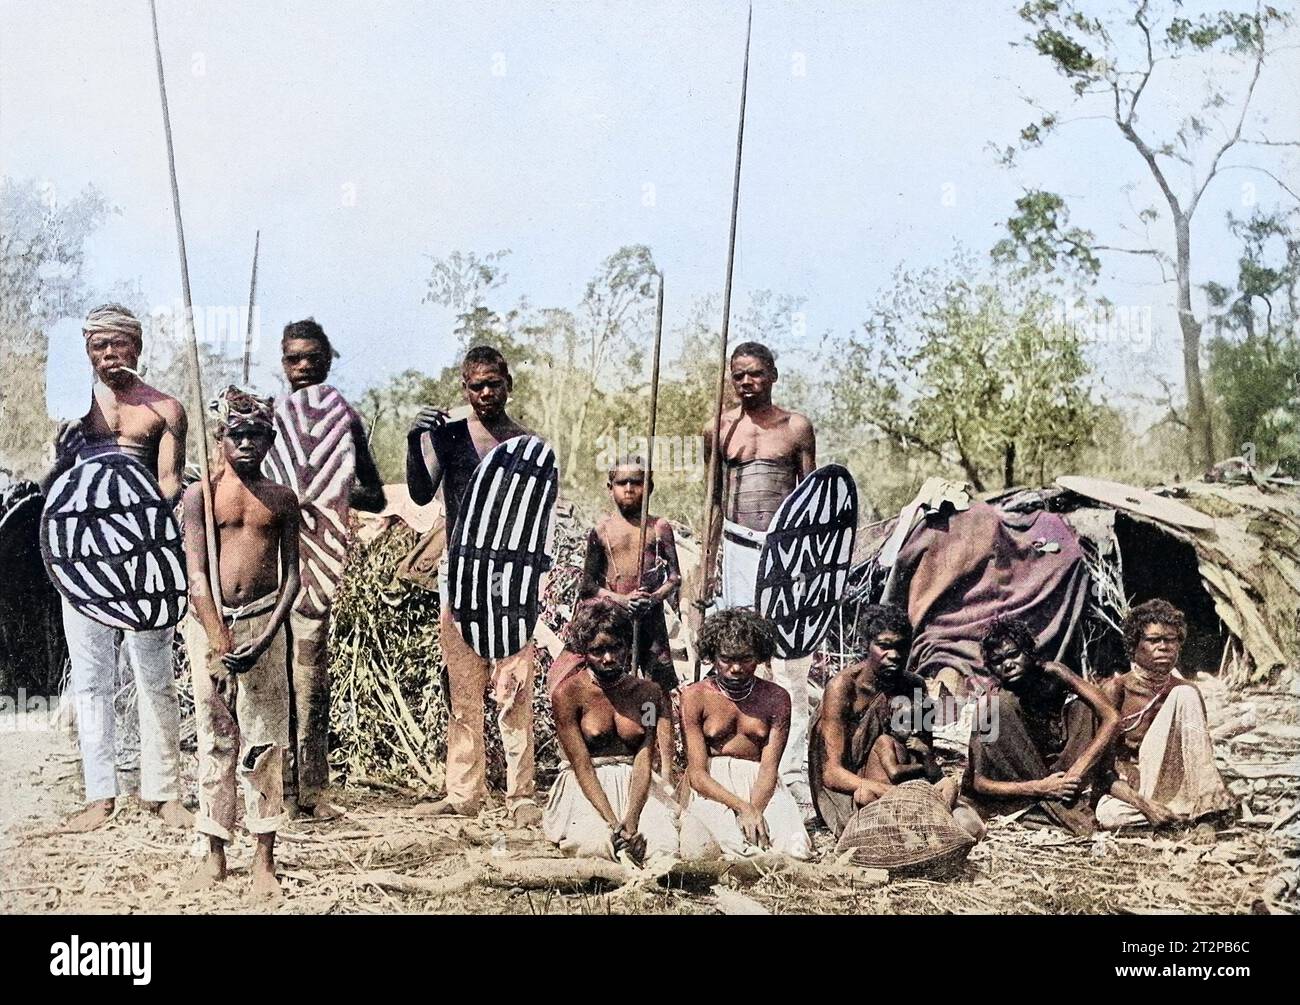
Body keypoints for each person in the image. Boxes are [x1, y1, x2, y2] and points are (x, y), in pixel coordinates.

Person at [41, 304, 191, 833]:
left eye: (119, 344)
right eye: (99, 346)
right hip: (83, 553)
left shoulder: (166, 409)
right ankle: (100, 794)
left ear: (138, 347)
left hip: (144, 551)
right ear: (87, 352)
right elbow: (53, 485)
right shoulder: (73, 409)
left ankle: (164, 791)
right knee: (91, 674)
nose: (110, 355)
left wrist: (140, 514)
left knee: (154, 673)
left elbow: (170, 482)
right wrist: (61, 459)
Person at [405, 345, 543, 826]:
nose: (484, 393)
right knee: (463, 689)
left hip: (511, 579)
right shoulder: (448, 438)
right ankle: (464, 793)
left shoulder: (526, 444)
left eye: (492, 383)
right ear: (463, 387)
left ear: (508, 383)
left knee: (513, 687)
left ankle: (520, 794)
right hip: (460, 573)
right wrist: (415, 439)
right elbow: (423, 492)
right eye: (474, 385)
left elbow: (532, 521)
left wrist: (530, 581)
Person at [179, 387, 300, 901]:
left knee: (265, 742)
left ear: (271, 440)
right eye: (238, 434)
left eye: (258, 435)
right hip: (211, 628)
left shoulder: (280, 498)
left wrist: (267, 634)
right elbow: (198, 576)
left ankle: (264, 860)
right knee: (216, 741)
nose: (248, 443)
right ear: (220, 437)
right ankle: (214, 854)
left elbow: (293, 577)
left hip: (262, 626)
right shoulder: (200, 496)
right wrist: (218, 636)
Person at [699, 341, 817, 817]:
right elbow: (711, 500)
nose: (746, 382)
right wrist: (708, 566)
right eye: (738, 375)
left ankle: (793, 781)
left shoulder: (796, 427)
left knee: (791, 663)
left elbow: (815, 502)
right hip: (738, 547)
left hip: (788, 553)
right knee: (740, 654)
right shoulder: (719, 427)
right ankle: (735, 764)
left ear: (772, 374)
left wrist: (810, 569)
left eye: (755, 374)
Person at [277, 318, 385, 819]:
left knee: (310, 678)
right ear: (282, 361)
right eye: (293, 358)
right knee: (269, 681)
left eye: (312, 358)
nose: (302, 367)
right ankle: (275, 788)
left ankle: (314, 791)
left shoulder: (347, 418)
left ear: (328, 359)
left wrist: (327, 493)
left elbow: (374, 492)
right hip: (267, 565)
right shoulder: (265, 417)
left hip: (316, 561)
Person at [544, 600, 678, 863]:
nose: (608, 658)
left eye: (616, 648)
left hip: (637, 786)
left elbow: (644, 755)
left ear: (627, 645)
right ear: (583, 651)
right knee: (595, 844)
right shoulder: (567, 695)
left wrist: (632, 818)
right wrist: (613, 823)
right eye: (598, 651)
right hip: (587, 788)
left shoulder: (648, 695)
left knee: (662, 843)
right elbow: (581, 764)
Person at [962, 618, 1119, 836]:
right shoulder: (990, 707)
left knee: (1086, 707)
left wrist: (1078, 769)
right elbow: (980, 783)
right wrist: (1041, 787)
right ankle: (1055, 803)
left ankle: (1095, 785)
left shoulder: (1054, 673)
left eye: (1013, 654)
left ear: (1029, 652)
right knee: (999, 707)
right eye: (998, 661)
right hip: (1024, 781)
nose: (1007, 664)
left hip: (1062, 769)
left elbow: (1110, 715)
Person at [678, 609, 812, 860]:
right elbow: (696, 774)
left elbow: (770, 768)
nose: (736, 668)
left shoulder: (777, 698)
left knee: (793, 847)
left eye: (746, 659)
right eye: (727, 659)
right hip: (712, 785)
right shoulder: (695, 696)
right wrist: (742, 808)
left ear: (760, 656)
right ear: (712, 656)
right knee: (730, 846)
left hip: (761, 784)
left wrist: (755, 809)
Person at [579, 455, 682, 776]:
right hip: (614, 622)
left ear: (648, 487)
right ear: (609, 488)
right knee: (616, 685)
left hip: (650, 621)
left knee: (657, 692)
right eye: (622, 483)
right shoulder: (601, 531)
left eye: (636, 483)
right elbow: (589, 585)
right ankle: (622, 759)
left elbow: (675, 578)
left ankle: (664, 769)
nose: (629, 490)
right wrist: (621, 600)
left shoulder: (659, 528)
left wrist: (653, 598)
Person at [1095, 599, 1235, 829]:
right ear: (1134, 646)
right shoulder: (1117, 689)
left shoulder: (1184, 693)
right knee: (1110, 815)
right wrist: (1144, 805)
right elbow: (1102, 769)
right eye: (1153, 640)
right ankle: (1179, 813)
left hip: (1175, 784)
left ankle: (1207, 813)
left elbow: (1199, 756)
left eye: (1171, 640)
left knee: (1185, 693)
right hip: (1133, 789)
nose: (1164, 647)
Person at [808, 603, 928, 836]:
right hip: (848, 787)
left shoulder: (915, 686)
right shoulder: (843, 688)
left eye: (901, 646)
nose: (894, 655)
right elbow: (831, 773)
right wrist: (889, 793)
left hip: (895, 777)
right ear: (866, 645)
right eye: (884, 646)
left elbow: (924, 753)